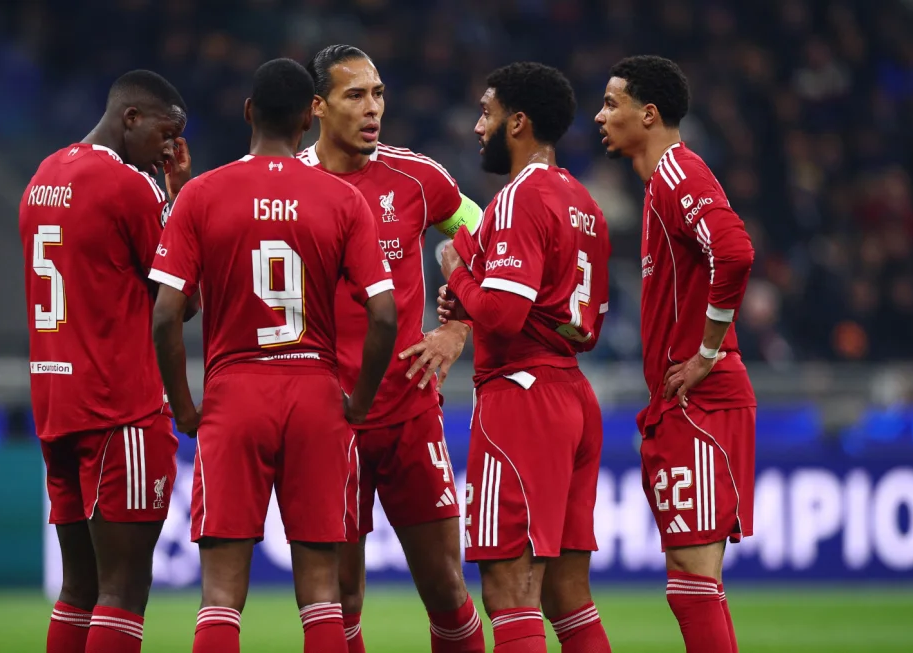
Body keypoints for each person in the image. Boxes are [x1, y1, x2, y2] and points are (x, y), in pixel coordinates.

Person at [149, 58, 398, 653]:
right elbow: (385, 315)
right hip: (316, 393)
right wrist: (359, 402)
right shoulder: (341, 200)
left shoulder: (203, 194)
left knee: (220, 597)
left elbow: (164, 314)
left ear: (248, 113)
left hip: (234, 394)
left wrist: (185, 408)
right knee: (321, 596)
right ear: (310, 117)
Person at [300, 44, 485, 653]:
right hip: (328, 417)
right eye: (355, 95)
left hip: (408, 410)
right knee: (341, 600)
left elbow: (484, 237)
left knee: (447, 590)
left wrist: (457, 327)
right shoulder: (289, 185)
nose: (373, 107)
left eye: (378, 93)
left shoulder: (416, 176)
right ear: (318, 106)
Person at [438, 62, 612, 653]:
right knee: (569, 595)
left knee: (510, 592)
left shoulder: (519, 197)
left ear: (517, 122)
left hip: (521, 397)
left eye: (486, 113)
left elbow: (506, 316)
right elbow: (581, 317)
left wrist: (459, 275)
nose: (477, 126)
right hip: (572, 392)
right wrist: (475, 288)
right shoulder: (584, 202)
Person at [20, 69, 191, 653]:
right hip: (120, 408)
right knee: (123, 592)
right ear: (131, 119)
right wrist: (177, 200)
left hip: (54, 402)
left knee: (79, 589)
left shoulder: (44, 175)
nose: (170, 149)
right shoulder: (130, 187)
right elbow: (180, 303)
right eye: (167, 134)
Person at [595, 55, 756, 653]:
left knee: (692, 581)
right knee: (693, 585)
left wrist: (707, 351)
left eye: (612, 104)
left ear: (650, 113)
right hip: (689, 401)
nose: (600, 116)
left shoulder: (677, 174)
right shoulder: (662, 182)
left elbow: (735, 252)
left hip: (702, 399)